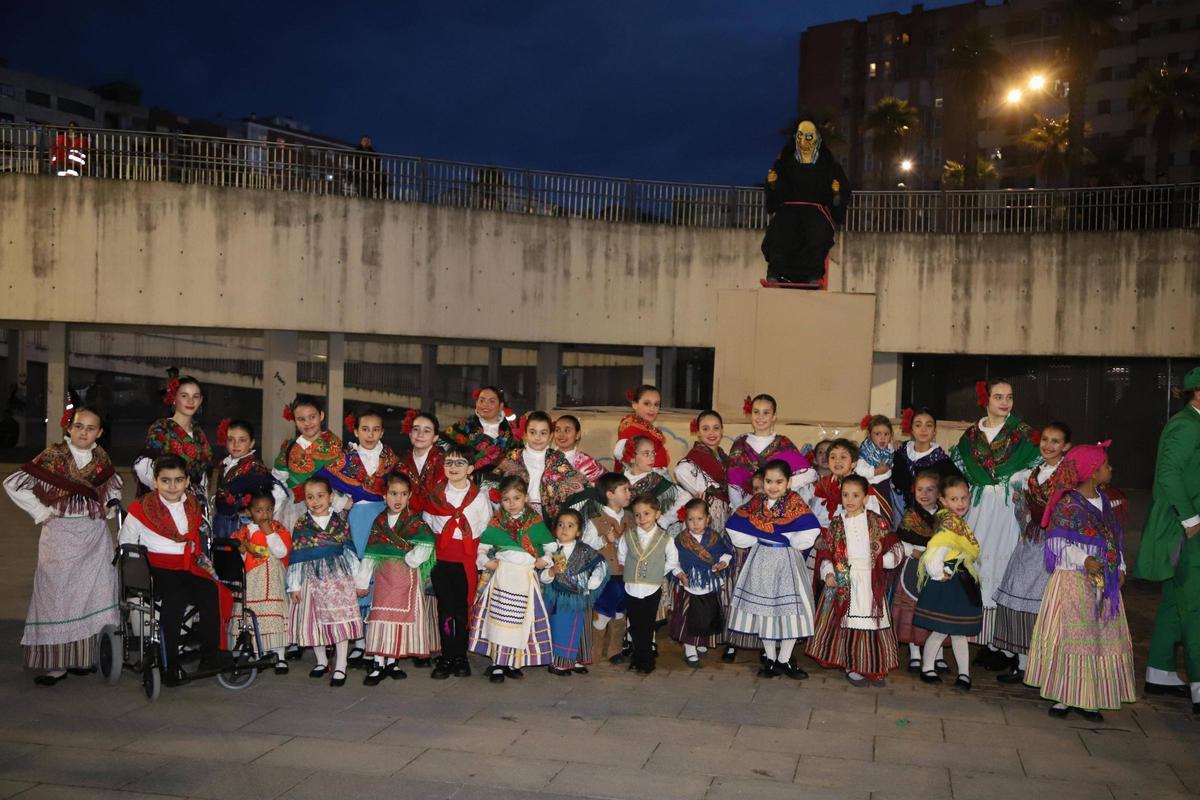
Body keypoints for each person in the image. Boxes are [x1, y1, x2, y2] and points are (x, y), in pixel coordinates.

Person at [4, 404, 122, 685]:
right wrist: (41, 512)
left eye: (91, 428)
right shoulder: (53, 455)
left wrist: (109, 509)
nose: (84, 432)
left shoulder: (102, 458)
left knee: (94, 594)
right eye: (79, 426)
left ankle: (83, 658)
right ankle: (56, 664)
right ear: (69, 427)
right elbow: (13, 483)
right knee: (56, 596)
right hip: (59, 536)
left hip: (94, 538)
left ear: (100, 432)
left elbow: (114, 487)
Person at [1025, 442, 1135, 721]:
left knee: (1097, 637)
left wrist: (1119, 565)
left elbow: (1112, 538)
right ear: (1093, 471)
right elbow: (1059, 539)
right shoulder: (1068, 503)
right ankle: (1064, 695)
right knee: (1072, 636)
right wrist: (1083, 559)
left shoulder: (1105, 501)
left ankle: (1090, 698)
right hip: (1073, 580)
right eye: (1106, 465)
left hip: (1103, 581)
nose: (1111, 469)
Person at [952, 379, 1040, 667]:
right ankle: (982, 638)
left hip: (1008, 510)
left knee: (1005, 570)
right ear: (985, 400)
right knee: (978, 567)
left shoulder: (1025, 434)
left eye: (1010, 397)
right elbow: (959, 469)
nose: (1005, 402)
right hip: (977, 509)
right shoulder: (970, 436)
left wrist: (1017, 482)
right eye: (998, 397)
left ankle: (1006, 644)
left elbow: (1038, 469)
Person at [117, 455, 224, 686]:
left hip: (186, 566)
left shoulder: (193, 506)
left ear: (187, 482)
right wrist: (138, 569)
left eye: (178, 480)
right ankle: (169, 662)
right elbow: (125, 542)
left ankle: (209, 655)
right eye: (165, 481)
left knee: (210, 591)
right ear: (155, 481)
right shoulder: (141, 508)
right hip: (156, 569)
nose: (172, 486)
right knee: (176, 596)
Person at [1134, 367, 1200, 707]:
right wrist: (1191, 520)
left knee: (1176, 604)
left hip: (1187, 527)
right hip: (1187, 531)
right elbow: (1170, 474)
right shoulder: (1187, 426)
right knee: (1196, 607)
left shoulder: (1191, 424)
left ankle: (1159, 672)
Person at [725, 459, 821, 679]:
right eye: (769, 481)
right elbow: (736, 527)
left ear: (789, 482)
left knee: (790, 611)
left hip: (787, 561)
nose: (773, 486)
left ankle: (785, 659)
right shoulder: (756, 503)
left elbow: (808, 532)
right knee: (765, 610)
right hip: (761, 559)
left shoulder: (795, 502)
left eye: (779, 481)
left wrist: (784, 537)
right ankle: (770, 659)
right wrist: (761, 536)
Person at [993, 422, 1072, 684]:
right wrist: (1023, 509)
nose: (1048, 445)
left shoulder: (1068, 477)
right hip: (1029, 542)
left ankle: (1042, 667)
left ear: (1066, 447)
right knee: (1017, 596)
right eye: (1046, 439)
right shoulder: (1032, 474)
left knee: (1042, 604)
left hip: (1052, 546)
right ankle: (1023, 663)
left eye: (1056, 441)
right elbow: (1023, 512)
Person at [320, 407, 400, 664]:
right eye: (365, 429)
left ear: (383, 432)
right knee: (357, 576)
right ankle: (360, 641)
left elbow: (401, 489)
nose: (370, 434)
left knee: (380, 577)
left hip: (384, 520)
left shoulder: (390, 459)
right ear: (355, 431)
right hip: (354, 521)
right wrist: (340, 500)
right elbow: (321, 485)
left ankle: (378, 640)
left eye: (376, 429)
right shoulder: (344, 460)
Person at [807, 475, 904, 686]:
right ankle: (853, 665)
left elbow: (895, 547)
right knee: (849, 624)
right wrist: (829, 574)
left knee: (871, 623)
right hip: (844, 580)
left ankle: (873, 665)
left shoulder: (876, 521)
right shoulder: (836, 524)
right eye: (845, 495)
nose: (849, 499)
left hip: (869, 582)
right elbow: (826, 554)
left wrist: (882, 561)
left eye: (855, 495)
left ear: (865, 497)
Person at [355, 472, 438, 686]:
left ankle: (392, 662)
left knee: (400, 621)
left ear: (409, 496)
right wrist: (362, 582)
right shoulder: (379, 522)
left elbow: (427, 543)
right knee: (381, 618)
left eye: (403, 494)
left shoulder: (414, 521)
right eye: (393, 493)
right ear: (384, 496)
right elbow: (371, 553)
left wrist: (413, 558)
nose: (397, 499)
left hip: (406, 579)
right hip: (384, 580)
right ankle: (377, 663)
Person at [470, 477, 554, 682]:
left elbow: (551, 547)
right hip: (503, 577)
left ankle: (515, 661)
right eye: (506, 499)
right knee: (500, 620)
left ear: (526, 497)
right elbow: (482, 548)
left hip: (525, 579)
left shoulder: (535, 523)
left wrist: (545, 560)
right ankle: (498, 663)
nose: (512, 503)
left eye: (517, 498)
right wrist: (485, 561)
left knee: (522, 621)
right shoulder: (497, 522)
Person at [422, 442, 493, 679]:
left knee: (462, 610)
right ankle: (446, 656)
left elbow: (485, 530)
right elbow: (428, 526)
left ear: (470, 469)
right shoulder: (435, 496)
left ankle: (460, 656)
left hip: (467, 561)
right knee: (445, 610)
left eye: (459, 463)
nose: (453, 467)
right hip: (442, 560)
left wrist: (481, 559)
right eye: (449, 462)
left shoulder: (479, 498)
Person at [286, 475, 362, 687]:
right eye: (310, 497)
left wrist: (358, 579)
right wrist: (294, 585)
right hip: (310, 579)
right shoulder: (302, 523)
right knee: (314, 621)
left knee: (340, 621)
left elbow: (349, 550)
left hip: (337, 579)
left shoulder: (339, 521)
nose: (316, 501)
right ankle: (321, 661)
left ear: (330, 497)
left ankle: (340, 665)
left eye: (320, 496)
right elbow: (297, 555)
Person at [760, 119, 849, 285]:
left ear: (816, 139)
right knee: (780, 231)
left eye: (808, 137)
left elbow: (840, 191)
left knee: (817, 233)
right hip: (789, 210)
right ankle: (775, 273)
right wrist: (773, 184)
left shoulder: (828, 165)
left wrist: (836, 192)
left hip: (815, 211)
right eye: (800, 136)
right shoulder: (785, 163)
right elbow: (776, 193)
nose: (803, 141)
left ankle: (813, 275)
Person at [914, 475, 982, 691]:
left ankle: (964, 674)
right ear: (943, 501)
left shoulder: (959, 524)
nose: (960, 503)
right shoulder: (949, 524)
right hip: (947, 583)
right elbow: (935, 549)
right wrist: (937, 573)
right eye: (954, 499)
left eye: (963, 498)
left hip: (960, 582)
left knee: (959, 632)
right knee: (942, 630)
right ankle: (927, 668)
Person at [231, 488, 292, 675]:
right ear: (249, 512)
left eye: (268, 510)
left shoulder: (278, 529)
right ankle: (258, 655)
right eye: (259, 510)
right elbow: (239, 561)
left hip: (272, 580)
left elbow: (281, 552)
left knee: (273, 615)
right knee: (252, 615)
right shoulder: (243, 532)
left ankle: (280, 657)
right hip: (252, 581)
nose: (264, 514)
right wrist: (241, 552)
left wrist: (269, 533)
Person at [541, 509, 609, 676]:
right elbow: (542, 576)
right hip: (558, 598)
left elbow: (600, 565)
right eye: (561, 525)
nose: (564, 529)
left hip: (580, 597)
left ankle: (575, 659)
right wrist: (551, 573)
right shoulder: (552, 550)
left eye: (570, 526)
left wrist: (593, 582)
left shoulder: (585, 550)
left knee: (580, 629)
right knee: (560, 628)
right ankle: (559, 662)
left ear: (578, 531)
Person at [669, 499, 733, 668]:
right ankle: (690, 648)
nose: (695, 523)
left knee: (707, 616)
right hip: (689, 585)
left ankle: (701, 641)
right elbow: (672, 561)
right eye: (690, 519)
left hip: (710, 585)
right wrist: (680, 574)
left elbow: (725, 553)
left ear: (708, 519)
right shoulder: (681, 540)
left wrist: (722, 563)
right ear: (685, 520)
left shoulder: (714, 538)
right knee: (689, 618)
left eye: (699, 519)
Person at [618, 493, 678, 674]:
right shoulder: (628, 536)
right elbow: (622, 556)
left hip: (652, 588)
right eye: (637, 515)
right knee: (635, 625)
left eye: (646, 513)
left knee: (647, 625)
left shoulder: (665, 538)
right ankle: (639, 658)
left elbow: (672, 561)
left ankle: (646, 661)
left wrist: (658, 572)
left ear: (657, 515)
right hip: (631, 587)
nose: (642, 518)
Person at [891, 471, 944, 672]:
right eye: (920, 489)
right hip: (914, 567)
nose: (925, 494)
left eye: (930, 489)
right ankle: (914, 652)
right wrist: (914, 552)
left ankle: (937, 653)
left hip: (937, 568)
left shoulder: (945, 517)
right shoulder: (910, 516)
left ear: (939, 493)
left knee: (935, 610)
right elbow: (900, 541)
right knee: (913, 610)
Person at [133, 375, 213, 507]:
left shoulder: (200, 434)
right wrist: (169, 491)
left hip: (193, 505)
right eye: (184, 395)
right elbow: (142, 467)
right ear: (174, 398)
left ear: (201, 401)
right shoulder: (162, 429)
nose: (190, 401)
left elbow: (202, 477)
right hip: (165, 504)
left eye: (196, 396)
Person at [727, 394, 816, 510]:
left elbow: (810, 474)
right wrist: (739, 513)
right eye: (756, 412)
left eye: (766, 413)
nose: (760, 417)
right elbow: (733, 484)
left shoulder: (783, 444)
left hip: (781, 508)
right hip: (749, 509)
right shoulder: (740, 445)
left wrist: (779, 488)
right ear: (750, 415)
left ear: (774, 416)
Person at [495, 411, 588, 520]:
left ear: (550, 436)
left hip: (547, 519)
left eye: (543, 433)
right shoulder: (514, 456)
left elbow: (579, 486)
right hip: (514, 514)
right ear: (525, 434)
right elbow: (495, 481)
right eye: (532, 432)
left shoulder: (556, 459)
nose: (537, 438)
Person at [582, 472, 634, 662]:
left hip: (626, 572)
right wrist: (604, 539)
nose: (629, 493)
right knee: (603, 612)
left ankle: (615, 650)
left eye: (629, 489)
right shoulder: (595, 519)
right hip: (606, 574)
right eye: (625, 490)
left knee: (621, 612)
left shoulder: (630, 517)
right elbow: (586, 546)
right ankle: (594, 650)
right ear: (610, 494)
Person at [271, 395, 344, 531]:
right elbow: (278, 480)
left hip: (329, 506)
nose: (307, 423)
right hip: (294, 509)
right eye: (301, 419)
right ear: (295, 421)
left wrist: (340, 501)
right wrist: (270, 507)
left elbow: (344, 479)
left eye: (312, 417)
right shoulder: (289, 447)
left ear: (321, 415)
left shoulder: (334, 445)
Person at [213, 419, 286, 540]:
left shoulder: (255, 467)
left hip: (245, 528)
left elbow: (273, 498)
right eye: (231, 440)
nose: (236, 445)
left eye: (242, 440)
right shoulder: (225, 464)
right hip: (223, 524)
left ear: (251, 443)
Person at [442, 386, 522, 486]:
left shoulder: (510, 433)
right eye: (482, 400)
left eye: (491, 401)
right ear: (476, 403)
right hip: (463, 485)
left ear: (501, 406)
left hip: (499, 489)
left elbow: (517, 462)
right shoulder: (464, 425)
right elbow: (443, 451)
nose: (485, 404)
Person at [892, 408, 962, 512]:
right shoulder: (900, 452)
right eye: (918, 425)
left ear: (934, 431)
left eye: (928, 425)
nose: (923, 430)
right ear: (911, 429)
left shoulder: (941, 461)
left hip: (930, 516)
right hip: (898, 511)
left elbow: (956, 487)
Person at [675, 410, 732, 530]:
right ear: (698, 433)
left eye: (716, 428)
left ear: (722, 430)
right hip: (704, 514)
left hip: (725, 512)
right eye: (705, 429)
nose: (711, 433)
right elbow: (679, 472)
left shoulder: (725, 458)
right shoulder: (695, 457)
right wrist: (701, 491)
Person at [621, 435, 686, 526]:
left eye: (653, 453)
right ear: (632, 457)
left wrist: (667, 519)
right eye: (646, 454)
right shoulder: (619, 480)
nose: (652, 458)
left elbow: (685, 496)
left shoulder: (657, 480)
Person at [397, 409, 445, 510]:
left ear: (435, 437)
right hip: (408, 517)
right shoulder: (402, 462)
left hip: (438, 516)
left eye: (426, 431)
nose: (420, 434)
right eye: (416, 429)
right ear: (410, 434)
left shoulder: (444, 462)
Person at [854, 414, 899, 525]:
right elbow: (859, 470)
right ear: (870, 435)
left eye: (886, 434)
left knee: (886, 518)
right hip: (871, 489)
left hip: (886, 488)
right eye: (877, 434)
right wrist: (876, 471)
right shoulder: (865, 452)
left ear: (891, 435)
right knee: (871, 518)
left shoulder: (890, 450)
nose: (882, 437)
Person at [614, 385, 669, 470]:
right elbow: (627, 464)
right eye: (647, 403)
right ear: (635, 404)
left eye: (656, 404)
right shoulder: (630, 429)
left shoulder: (646, 427)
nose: (652, 409)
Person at [552, 415, 606, 483]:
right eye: (557, 430)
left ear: (577, 435)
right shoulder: (546, 457)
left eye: (567, 430)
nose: (561, 434)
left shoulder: (588, 463)